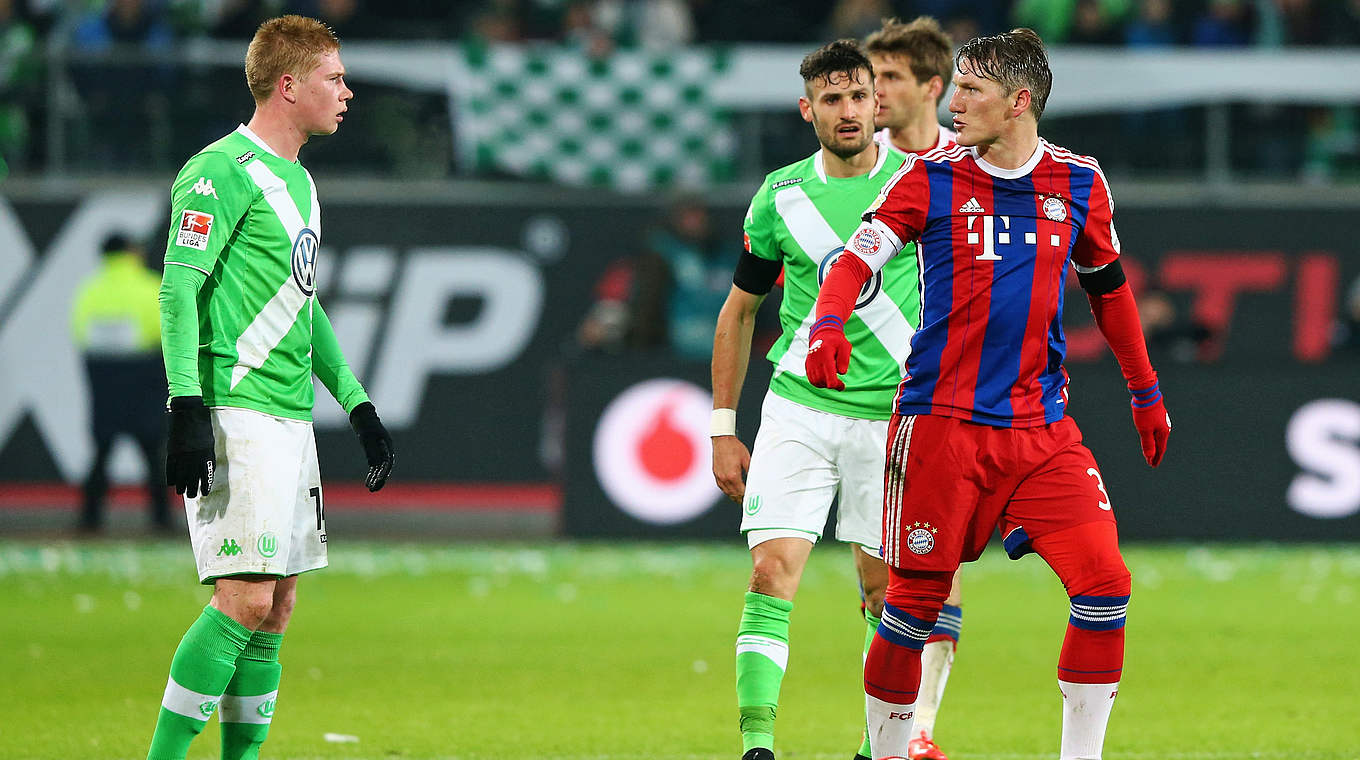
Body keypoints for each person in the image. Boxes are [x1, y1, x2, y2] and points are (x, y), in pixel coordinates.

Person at [805, 28, 1171, 760]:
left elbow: (1108, 288)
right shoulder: (928, 178)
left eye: (971, 89)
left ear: (1020, 102)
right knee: (911, 609)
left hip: (1041, 433)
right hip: (941, 427)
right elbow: (856, 258)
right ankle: (888, 752)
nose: (955, 100)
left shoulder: (1079, 182)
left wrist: (1144, 388)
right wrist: (827, 322)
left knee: (1105, 586)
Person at [146, 16, 394, 760]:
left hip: (289, 420)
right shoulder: (218, 170)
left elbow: (302, 305)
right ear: (289, 86)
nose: (347, 92)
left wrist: (357, 404)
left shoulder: (301, 182)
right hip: (237, 413)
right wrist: (186, 404)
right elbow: (177, 289)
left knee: (277, 608)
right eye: (334, 78)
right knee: (243, 599)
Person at [710, 39, 918, 760]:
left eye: (859, 95)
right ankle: (758, 745)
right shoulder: (779, 197)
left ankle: (875, 746)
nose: (849, 109)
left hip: (892, 417)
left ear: (877, 103)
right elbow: (738, 312)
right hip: (799, 407)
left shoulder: (919, 187)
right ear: (809, 110)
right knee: (771, 572)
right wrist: (721, 428)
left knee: (885, 595)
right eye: (832, 99)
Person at [862, 17, 961, 760]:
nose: (873, 92)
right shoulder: (852, 168)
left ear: (933, 86)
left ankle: (920, 729)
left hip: (942, 397)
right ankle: (887, 731)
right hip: (858, 396)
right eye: (870, 78)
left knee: (937, 560)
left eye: (890, 78)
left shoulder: (971, 167)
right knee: (877, 579)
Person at [70, 233, 170, 533]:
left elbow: (80, 334)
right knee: (153, 454)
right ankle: (162, 521)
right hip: (144, 381)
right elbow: (165, 331)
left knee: (101, 453)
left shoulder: (89, 291)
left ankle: (89, 519)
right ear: (132, 251)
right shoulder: (150, 287)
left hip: (105, 383)